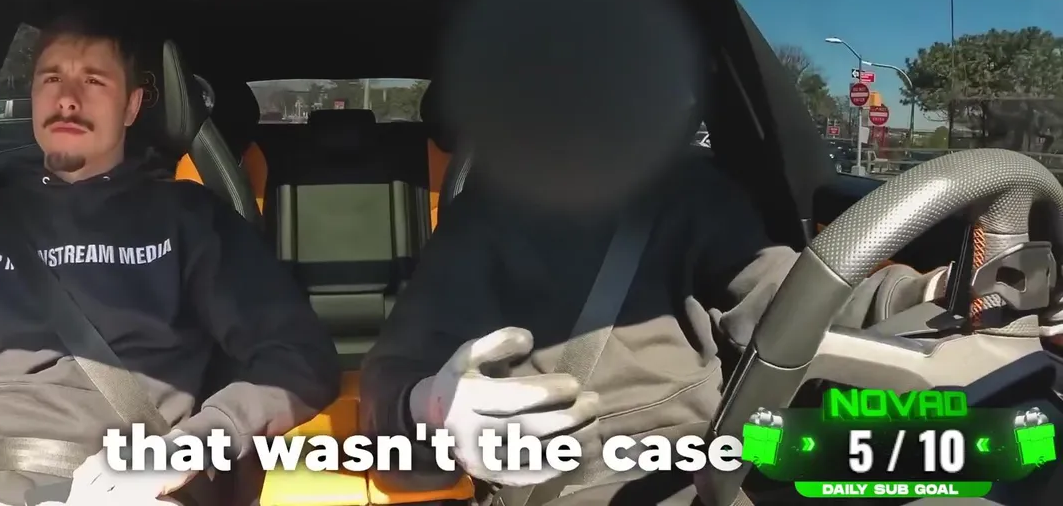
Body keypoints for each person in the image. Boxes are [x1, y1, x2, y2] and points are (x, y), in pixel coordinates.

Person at [0, 10, 341, 506]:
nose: (68, 98)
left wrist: (192, 444)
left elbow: (298, 359)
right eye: (52, 78)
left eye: (93, 81)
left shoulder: (193, 223)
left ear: (132, 105)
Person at [359, 156, 950, 503]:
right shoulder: (487, 214)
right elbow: (391, 377)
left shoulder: (693, 193)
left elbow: (788, 295)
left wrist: (928, 293)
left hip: (719, 467)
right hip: (568, 486)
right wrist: (433, 404)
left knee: (963, 464)